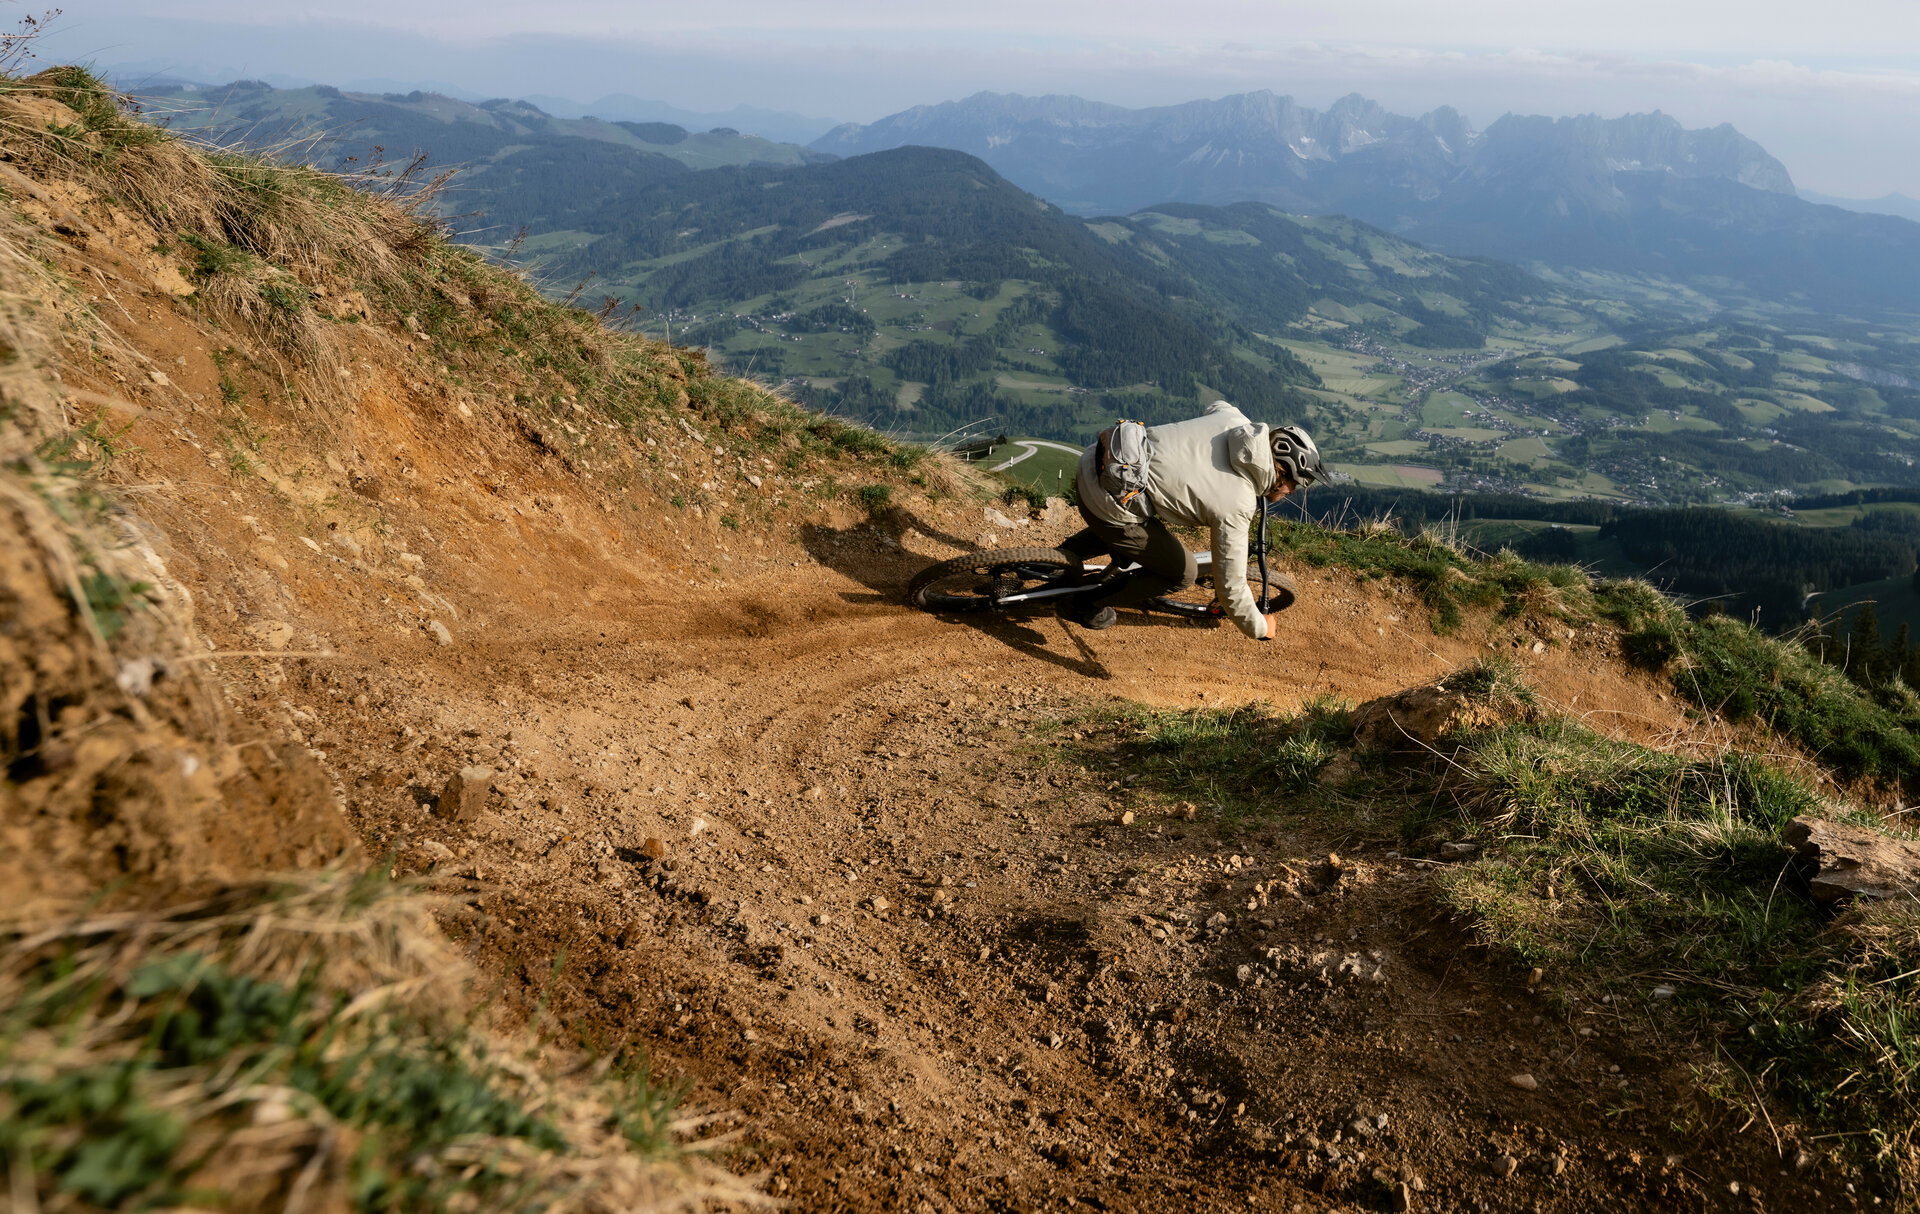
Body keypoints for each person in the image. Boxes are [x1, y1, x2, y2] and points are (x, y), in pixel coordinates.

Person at [1059, 401, 1323, 639]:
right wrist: (1260, 627)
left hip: (1097, 461)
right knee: (1182, 572)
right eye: (1294, 485)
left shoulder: (1233, 420)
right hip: (1106, 502)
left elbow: (1217, 405)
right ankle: (1085, 603)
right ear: (1281, 473)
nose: (1292, 492)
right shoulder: (1238, 501)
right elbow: (1231, 589)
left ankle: (1055, 561)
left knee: (1134, 516)